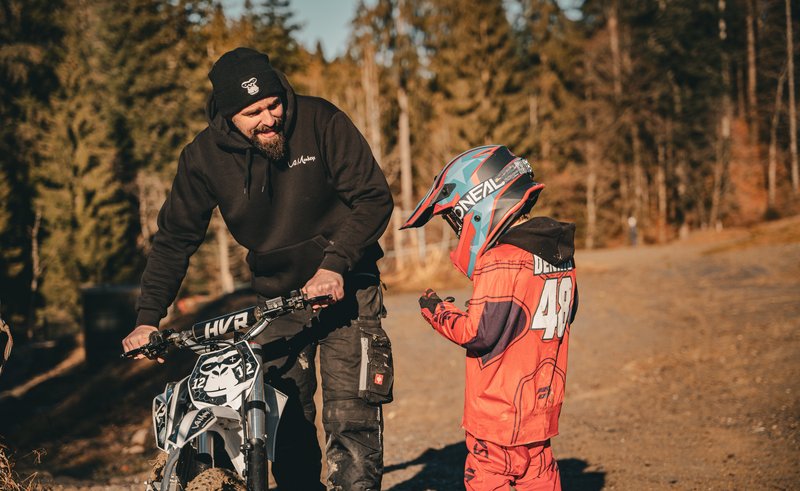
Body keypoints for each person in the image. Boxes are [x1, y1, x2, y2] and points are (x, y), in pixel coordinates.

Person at [121, 47, 394, 490]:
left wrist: (334, 265)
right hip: (277, 303)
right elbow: (174, 240)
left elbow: (373, 196)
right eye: (253, 113)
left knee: (351, 423)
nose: (269, 118)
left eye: (273, 104)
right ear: (228, 115)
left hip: (347, 288)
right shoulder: (202, 158)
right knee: (285, 431)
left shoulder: (320, 120)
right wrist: (148, 317)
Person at [401, 145, 578, 490]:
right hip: (540, 411)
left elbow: (478, 332)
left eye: (455, 217)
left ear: (477, 203)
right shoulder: (559, 257)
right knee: (539, 476)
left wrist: (436, 309)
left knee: (489, 479)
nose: (457, 227)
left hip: (497, 414)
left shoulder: (501, 258)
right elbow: (567, 313)